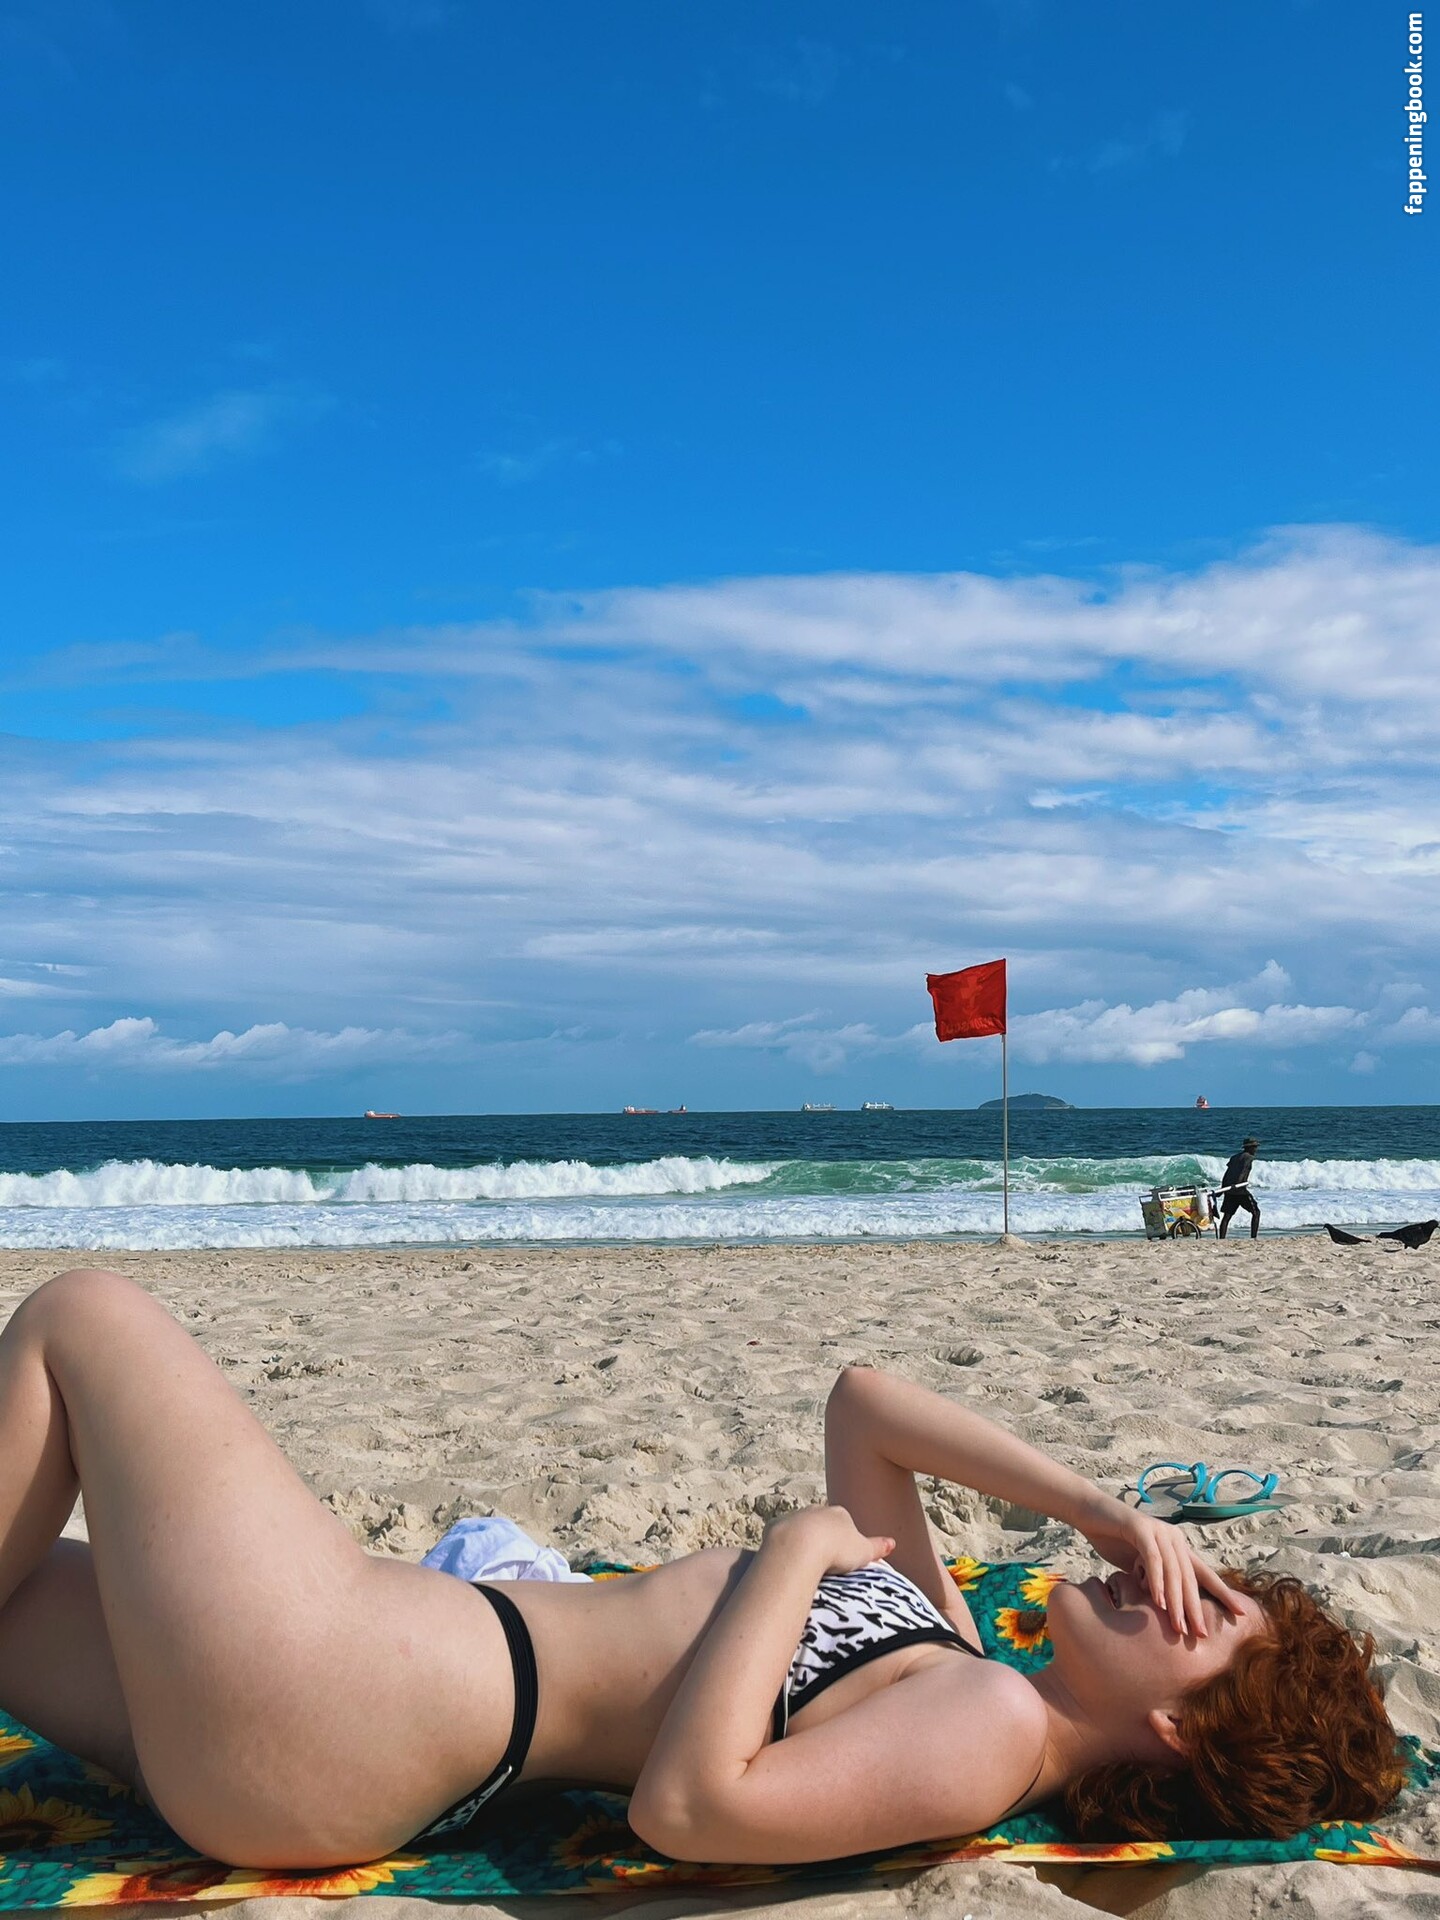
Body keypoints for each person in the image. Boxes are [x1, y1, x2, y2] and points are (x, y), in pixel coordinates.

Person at [0, 1269, 1403, 1870]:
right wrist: (1097, 1510)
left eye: (1207, 1615)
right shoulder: (966, 1661)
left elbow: (690, 1809)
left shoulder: (990, 1732)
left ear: (1180, 1726)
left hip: (350, 1697)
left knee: (87, 1317)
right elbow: (865, 1406)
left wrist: (792, 1558)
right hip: (341, 1709)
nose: (1174, 1577)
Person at [1217, 1136, 1262, 1239]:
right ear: (1249, 1147)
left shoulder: (1234, 1157)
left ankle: (1221, 1239)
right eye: (1254, 1147)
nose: (1256, 1149)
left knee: (1227, 1216)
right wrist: (1238, 1184)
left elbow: (1227, 1174)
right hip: (1240, 1190)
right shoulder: (1249, 1157)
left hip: (1230, 1190)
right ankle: (1253, 1237)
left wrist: (1222, 1189)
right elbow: (1243, 1171)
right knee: (1256, 1212)